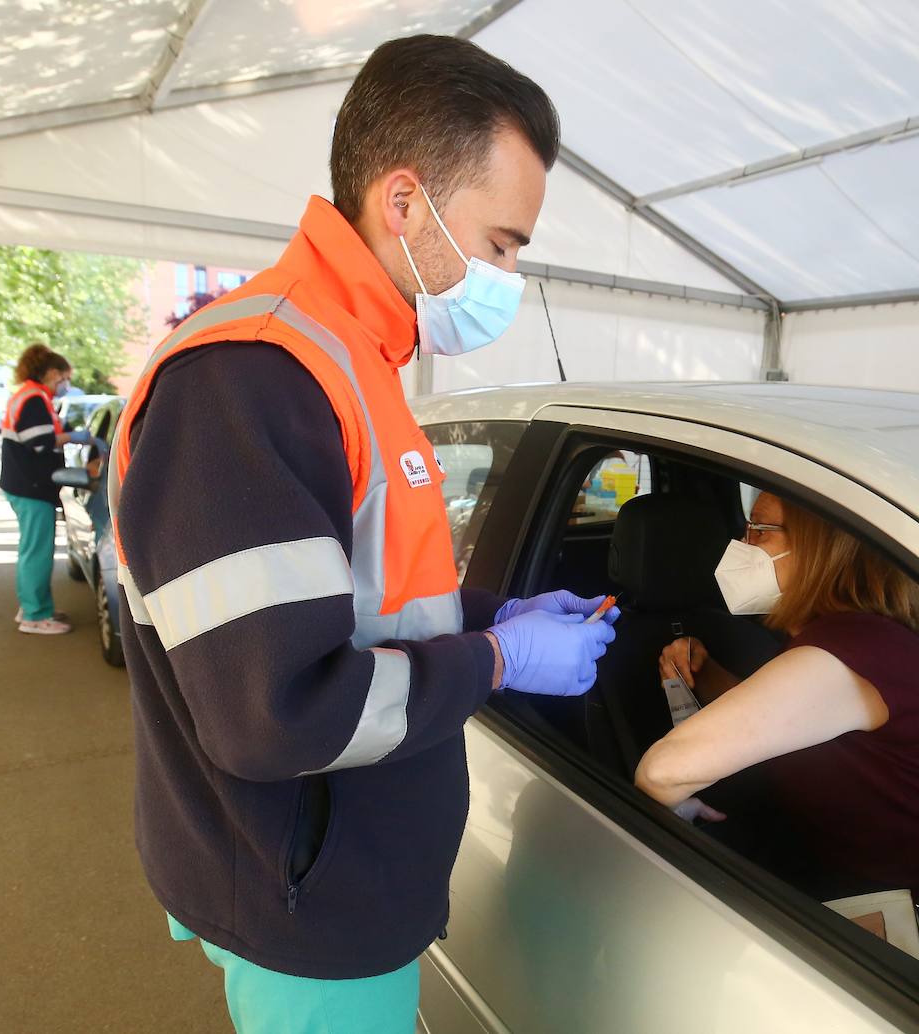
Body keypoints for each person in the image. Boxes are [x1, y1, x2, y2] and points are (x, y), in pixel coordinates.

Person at [110, 35, 617, 1033]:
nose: (509, 274)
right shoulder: (252, 377)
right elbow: (277, 711)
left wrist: (491, 610)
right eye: (504, 242)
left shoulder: (350, 358)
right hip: (304, 898)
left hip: (333, 874)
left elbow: (358, 587)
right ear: (403, 203)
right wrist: (497, 657)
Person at [638, 492, 919, 1021]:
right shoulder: (839, 643)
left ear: (827, 550)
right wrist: (707, 677)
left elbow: (662, 773)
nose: (741, 545)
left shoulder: (850, 651)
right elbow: (806, 726)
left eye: (761, 530)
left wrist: (681, 804)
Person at [0, 342, 92, 635]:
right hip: (31, 486)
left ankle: (32, 606)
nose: (66, 384)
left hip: (24, 484)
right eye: (65, 378)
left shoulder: (28, 394)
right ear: (53, 373)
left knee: (31, 549)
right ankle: (36, 617)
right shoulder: (34, 399)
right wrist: (72, 436)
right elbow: (39, 442)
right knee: (37, 551)